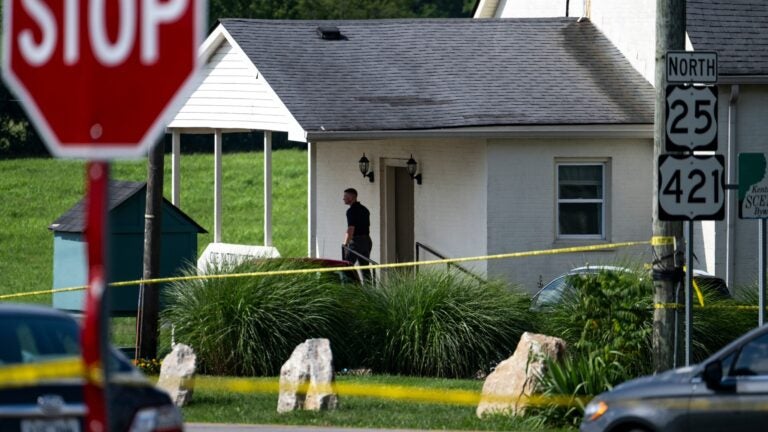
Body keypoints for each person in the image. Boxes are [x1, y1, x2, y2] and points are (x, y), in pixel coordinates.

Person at [343, 188, 372, 282]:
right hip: (367, 241)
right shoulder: (365, 210)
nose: (343, 198)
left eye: (346, 196)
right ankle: (369, 291)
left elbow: (351, 229)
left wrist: (345, 244)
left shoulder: (351, 211)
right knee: (365, 268)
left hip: (356, 242)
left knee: (346, 266)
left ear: (352, 197)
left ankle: (353, 288)